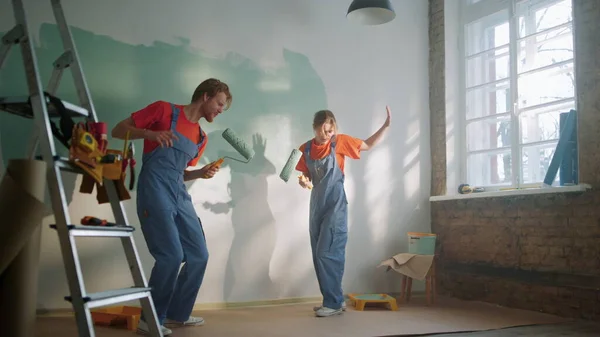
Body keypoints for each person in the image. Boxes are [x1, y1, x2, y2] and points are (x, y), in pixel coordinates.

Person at [111, 78, 232, 335]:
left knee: (199, 254)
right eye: (220, 104)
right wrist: (149, 134)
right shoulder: (164, 111)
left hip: (178, 192)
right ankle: (151, 318)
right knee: (171, 255)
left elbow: (180, 172)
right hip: (154, 189)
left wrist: (199, 173)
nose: (221, 110)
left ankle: (177, 315)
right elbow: (118, 130)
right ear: (205, 96)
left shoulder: (201, 137)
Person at [295, 106, 391, 317]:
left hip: (335, 206)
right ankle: (332, 299)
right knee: (318, 255)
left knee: (328, 253)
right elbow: (305, 176)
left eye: (330, 131)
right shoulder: (306, 149)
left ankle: (334, 303)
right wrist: (303, 181)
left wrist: (385, 126)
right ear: (314, 128)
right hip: (316, 207)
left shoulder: (339, 142)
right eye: (323, 131)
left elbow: (367, 144)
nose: (327, 135)